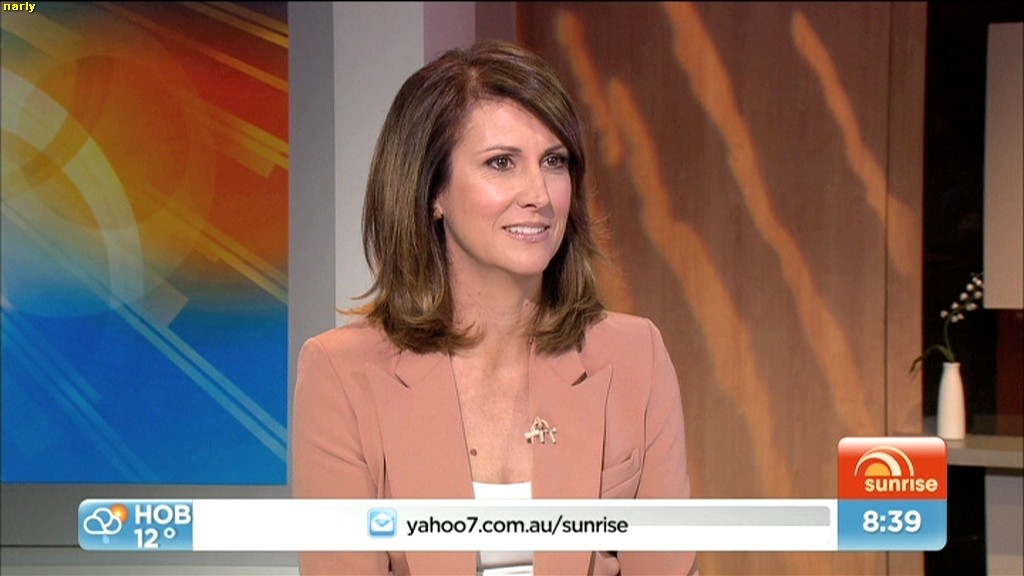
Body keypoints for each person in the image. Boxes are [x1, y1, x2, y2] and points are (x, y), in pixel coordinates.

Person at [292, 39, 697, 576]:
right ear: (433, 191)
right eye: (501, 163)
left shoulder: (634, 356)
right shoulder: (341, 373)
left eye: (554, 161)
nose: (539, 195)